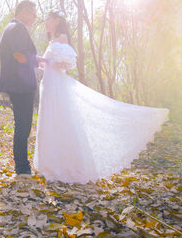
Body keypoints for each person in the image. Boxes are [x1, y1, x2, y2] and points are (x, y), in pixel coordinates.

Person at [34, 12, 169, 184]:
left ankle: (66, 167)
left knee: (61, 122)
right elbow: (53, 64)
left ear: (57, 21)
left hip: (57, 88)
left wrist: (48, 62)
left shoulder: (62, 37)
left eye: (48, 19)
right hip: (49, 86)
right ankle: (49, 165)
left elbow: (65, 64)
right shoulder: (52, 40)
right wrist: (44, 63)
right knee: (50, 122)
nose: (46, 22)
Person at [0, 0, 41, 175]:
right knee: (24, 125)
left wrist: (38, 60)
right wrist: (37, 60)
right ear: (23, 12)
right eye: (33, 13)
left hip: (17, 83)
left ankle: (22, 166)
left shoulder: (11, 28)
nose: (34, 18)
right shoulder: (18, 28)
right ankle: (22, 168)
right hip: (20, 84)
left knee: (22, 125)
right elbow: (20, 55)